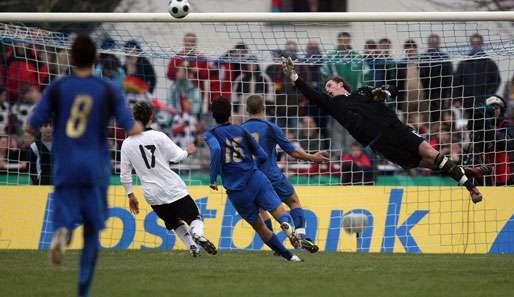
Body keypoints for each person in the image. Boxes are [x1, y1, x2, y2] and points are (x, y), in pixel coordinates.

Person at [25, 35, 143, 297]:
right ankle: (83, 291)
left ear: (71, 56)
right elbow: (131, 128)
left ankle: (62, 234)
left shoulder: (58, 86)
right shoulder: (107, 88)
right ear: (95, 58)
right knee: (92, 230)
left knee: (65, 217)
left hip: (65, 163)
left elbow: (31, 123)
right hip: (94, 165)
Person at [282, 56, 487, 203]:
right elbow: (310, 92)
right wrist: (294, 76)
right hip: (379, 144)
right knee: (429, 164)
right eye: (326, 88)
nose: (327, 90)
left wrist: (386, 93)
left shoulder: (362, 92)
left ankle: (471, 188)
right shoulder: (332, 105)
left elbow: (394, 88)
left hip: (395, 128)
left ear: (341, 85)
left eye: (329, 85)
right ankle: (468, 172)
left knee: (432, 154)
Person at [204, 98, 302, 261]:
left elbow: (215, 150)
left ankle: (290, 256)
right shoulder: (241, 131)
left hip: (237, 190)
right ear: (230, 112)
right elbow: (262, 154)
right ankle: (287, 225)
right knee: (279, 210)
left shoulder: (211, 134)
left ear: (213, 115)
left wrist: (213, 178)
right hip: (255, 178)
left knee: (260, 227)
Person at [120, 101, 216, 257]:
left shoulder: (126, 144)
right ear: (151, 117)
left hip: (152, 195)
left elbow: (125, 174)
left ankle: (191, 246)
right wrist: (189, 151)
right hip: (171, 188)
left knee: (174, 222)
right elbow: (177, 156)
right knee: (195, 217)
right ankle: (197, 233)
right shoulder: (158, 136)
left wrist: (131, 195)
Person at [241, 95, 328, 253]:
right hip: (271, 174)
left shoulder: (239, 130)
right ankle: (301, 235)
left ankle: (276, 246)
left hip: (250, 177)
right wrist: (312, 157)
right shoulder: (270, 127)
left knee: (261, 209)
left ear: (247, 109)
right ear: (264, 108)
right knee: (293, 201)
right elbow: (293, 152)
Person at [453, 33, 501, 111]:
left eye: (478, 43)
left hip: (484, 102)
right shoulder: (463, 64)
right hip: (467, 102)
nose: (476, 45)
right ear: (471, 44)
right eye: (473, 43)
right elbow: (456, 82)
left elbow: (496, 80)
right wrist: (456, 99)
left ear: (482, 44)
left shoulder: (490, 63)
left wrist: (488, 95)